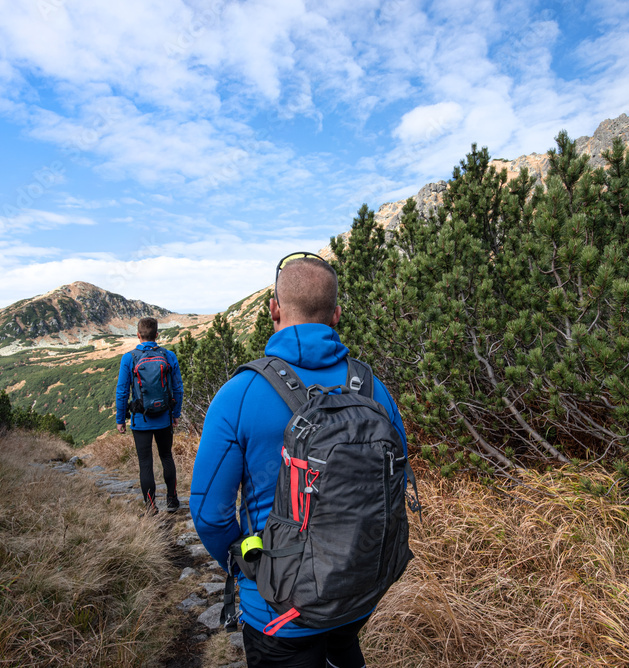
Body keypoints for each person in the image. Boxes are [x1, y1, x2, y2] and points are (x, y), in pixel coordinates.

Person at [189, 252, 409, 667]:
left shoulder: (240, 394)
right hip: (358, 596)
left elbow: (209, 513)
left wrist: (248, 570)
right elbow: (395, 481)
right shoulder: (372, 388)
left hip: (279, 610)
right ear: (336, 314)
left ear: (274, 308)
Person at [116, 317, 184, 515]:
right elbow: (178, 388)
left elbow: (122, 391)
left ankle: (151, 507)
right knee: (166, 457)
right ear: (157, 335)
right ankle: (172, 500)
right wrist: (176, 413)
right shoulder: (168, 356)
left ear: (138, 335)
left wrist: (121, 419)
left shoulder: (129, 358)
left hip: (140, 421)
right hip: (164, 418)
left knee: (145, 462)